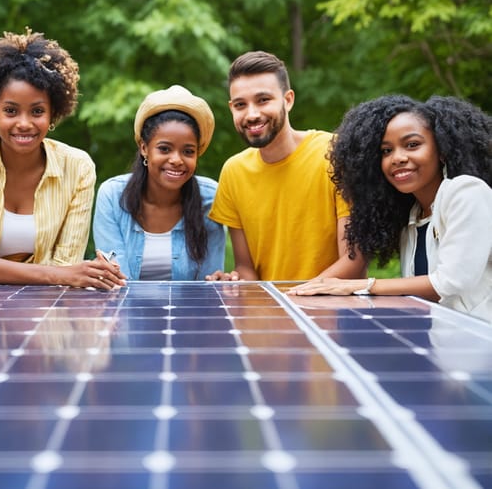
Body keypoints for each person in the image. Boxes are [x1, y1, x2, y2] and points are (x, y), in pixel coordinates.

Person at [0, 30, 125, 288]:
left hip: (48, 311)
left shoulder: (78, 168)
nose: (24, 124)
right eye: (11, 111)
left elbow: (67, 266)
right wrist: (58, 275)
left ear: (54, 113)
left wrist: (66, 274)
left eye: (37, 111)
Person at [289, 95, 492, 321]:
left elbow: (452, 282)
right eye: (386, 151)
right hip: (441, 344)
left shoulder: (467, 192)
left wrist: (363, 285)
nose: (397, 158)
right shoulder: (412, 217)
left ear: (442, 150)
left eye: (412, 145)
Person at [206, 51, 366, 281]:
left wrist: (296, 297)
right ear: (231, 108)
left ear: (288, 100)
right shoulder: (233, 171)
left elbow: (354, 260)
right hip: (269, 313)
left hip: (333, 310)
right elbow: (246, 269)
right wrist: (234, 282)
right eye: (241, 105)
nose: (252, 114)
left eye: (263, 100)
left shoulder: (334, 152)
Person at [93, 85, 225, 280]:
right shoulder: (112, 196)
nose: (177, 160)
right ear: (144, 148)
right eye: (164, 149)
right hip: (123, 307)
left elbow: (208, 283)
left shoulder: (210, 199)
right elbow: (116, 279)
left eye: (188, 151)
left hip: (189, 310)